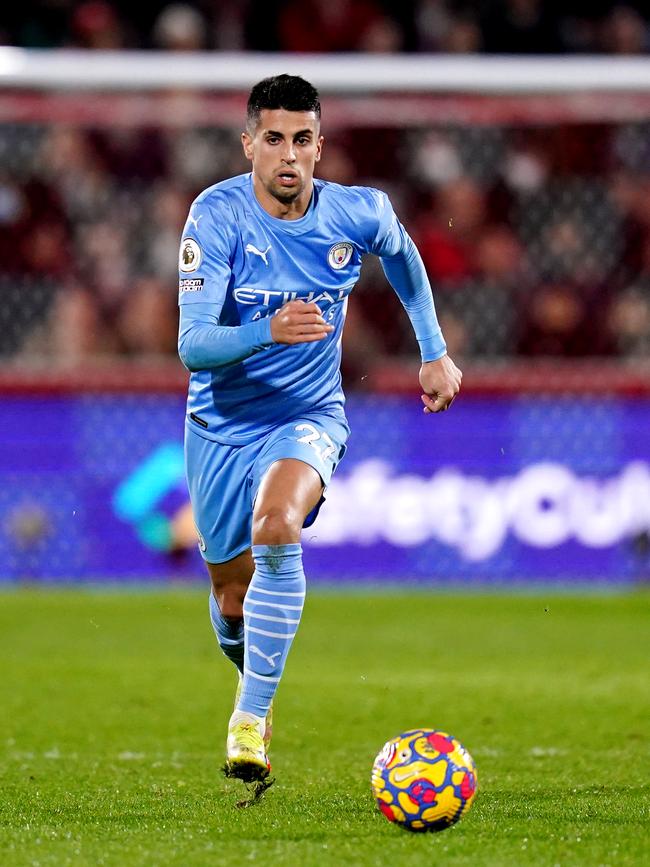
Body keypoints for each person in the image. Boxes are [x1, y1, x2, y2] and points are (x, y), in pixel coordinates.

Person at [177, 74, 462, 787]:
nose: (288, 155)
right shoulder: (215, 217)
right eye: (273, 138)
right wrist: (267, 329)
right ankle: (255, 684)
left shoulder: (356, 212)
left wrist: (433, 350)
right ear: (248, 143)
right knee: (232, 598)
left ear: (319, 145)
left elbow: (401, 255)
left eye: (302, 140)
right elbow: (193, 344)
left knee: (278, 525)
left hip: (307, 418)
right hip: (219, 423)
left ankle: (249, 719)